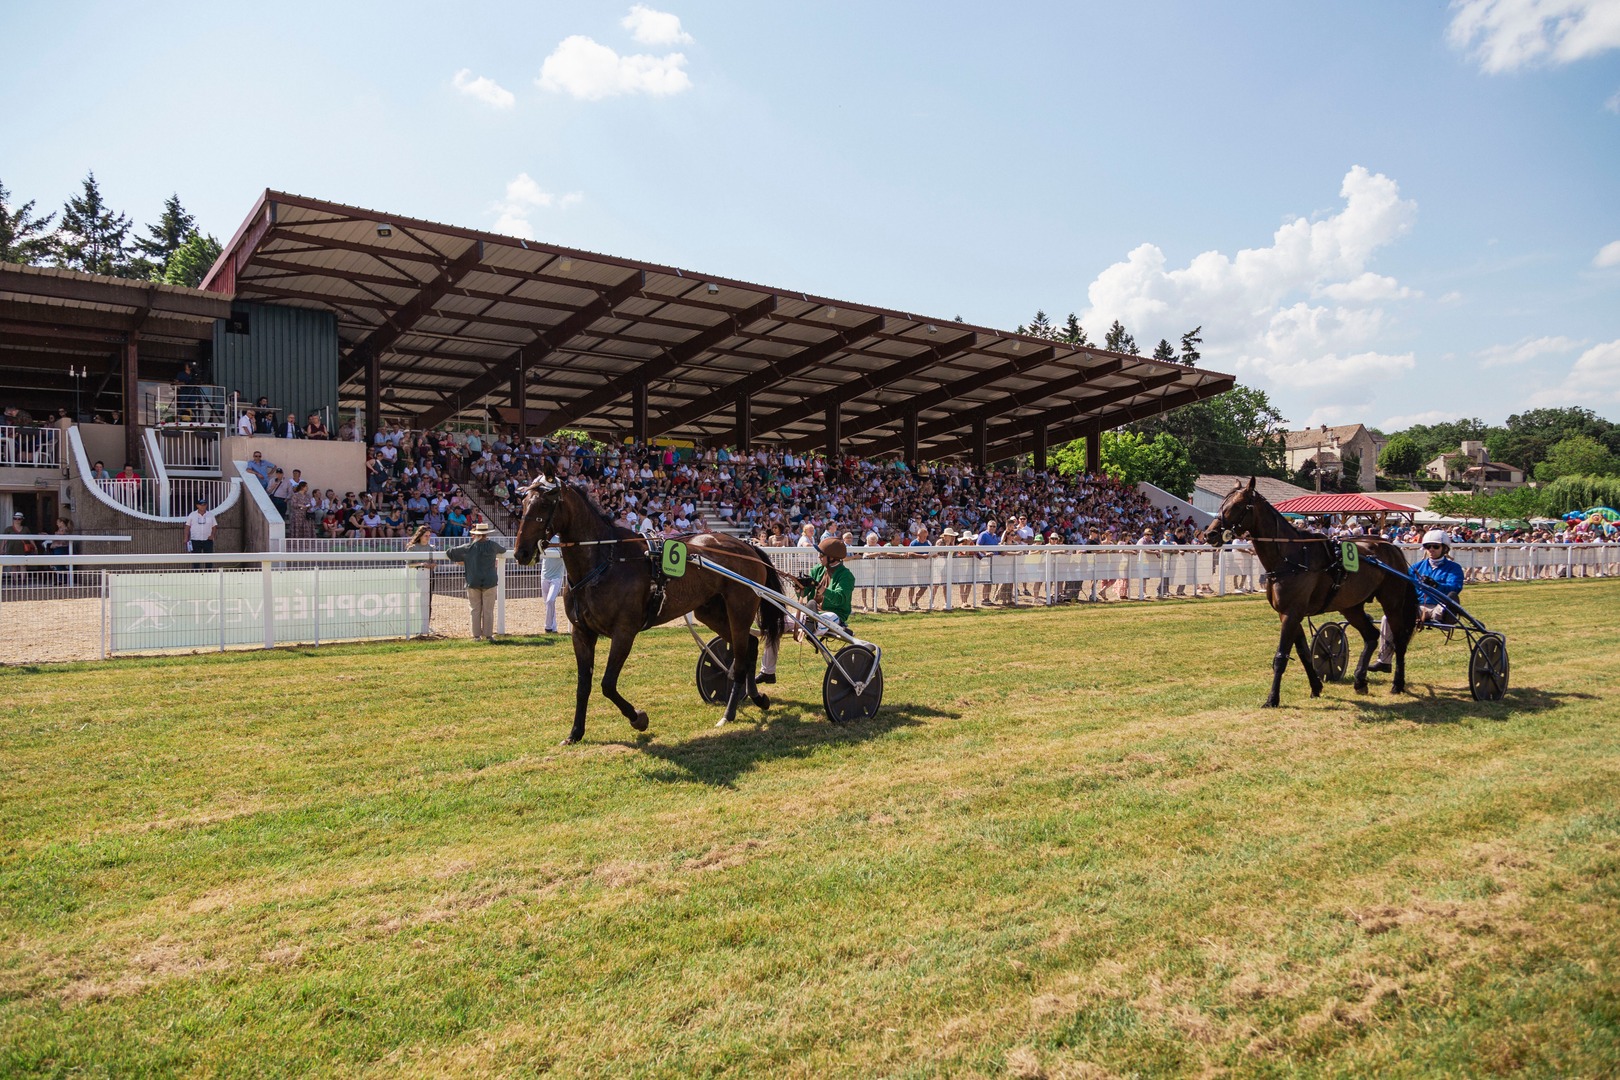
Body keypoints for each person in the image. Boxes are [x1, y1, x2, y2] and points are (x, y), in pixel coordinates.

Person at [1373, 529, 1465, 672]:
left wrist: (1436, 585)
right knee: (1386, 618)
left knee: (1443, 609)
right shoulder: (1417, 567)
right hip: (1417, 606)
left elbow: (1455, 587)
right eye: (1428, 547)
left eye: (1435, 547)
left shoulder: (1454, 568)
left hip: (1438, 606)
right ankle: (1384, 661)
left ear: (1445, 548)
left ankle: (1446, 618)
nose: (1431, 550)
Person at [445, 520, 505, 641]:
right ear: (486, 534)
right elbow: (503, 550)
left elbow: (450, 552)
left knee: (475, 609)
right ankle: (488, 635)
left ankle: (476, 635)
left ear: (475, 534)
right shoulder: (493, 545)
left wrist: (466, 560)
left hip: (473, 581)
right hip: (490, 581)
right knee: (488, 610)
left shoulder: (468, 547)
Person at [184, 498, 217, 568]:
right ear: (197, 506)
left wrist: (212, 535)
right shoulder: (192, 515)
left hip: (207, 540)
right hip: (195, 540)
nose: (203, 506)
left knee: (208, 559)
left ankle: (209, 574)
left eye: (204, 505)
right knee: (196, 560)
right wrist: (186, 538)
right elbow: (187, 526)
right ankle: (196, 575)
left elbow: (214, 526)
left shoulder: (210, 515)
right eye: (201, 505)